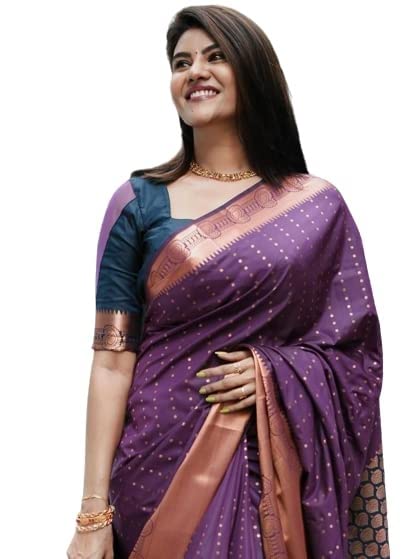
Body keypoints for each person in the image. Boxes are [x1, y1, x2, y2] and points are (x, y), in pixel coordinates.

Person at [66, 5, 390, 559]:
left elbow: (356, 356)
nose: (195, 71)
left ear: (253, 71)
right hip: (155, 467)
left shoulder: (316, 207)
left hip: (270, 470)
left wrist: (274, 373)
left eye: (215, 57)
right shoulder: (138, 203)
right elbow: (113, 361)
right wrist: (93, 513)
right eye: (181, 62)